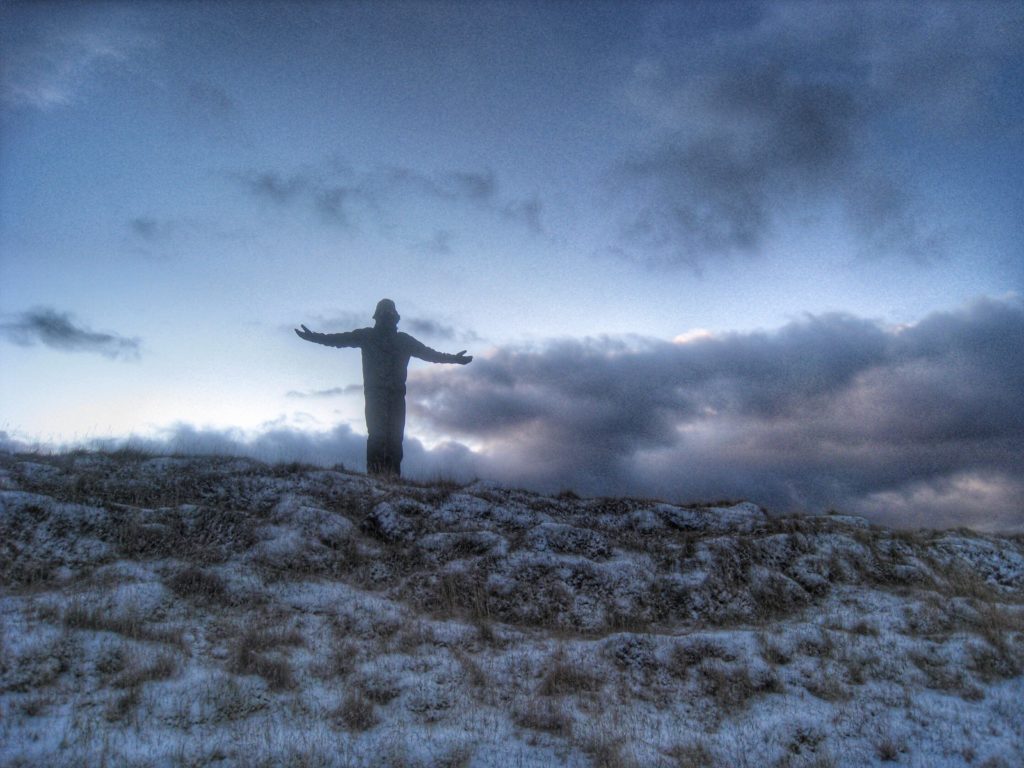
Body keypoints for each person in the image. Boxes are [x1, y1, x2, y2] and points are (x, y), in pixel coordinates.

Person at [295, 299, 472, 477]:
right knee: (379, 436)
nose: (387, 318)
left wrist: (454, 359)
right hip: (376, 394)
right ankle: (376, 478)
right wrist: (313, 337)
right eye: (384, 314)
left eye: (389, 315)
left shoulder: (401, 340)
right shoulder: (369, 336)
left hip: (394, 395)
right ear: (380, 317)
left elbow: (431, 354)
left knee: (394, 438)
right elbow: (337, 340)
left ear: (393, 317)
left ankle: (391, 479)